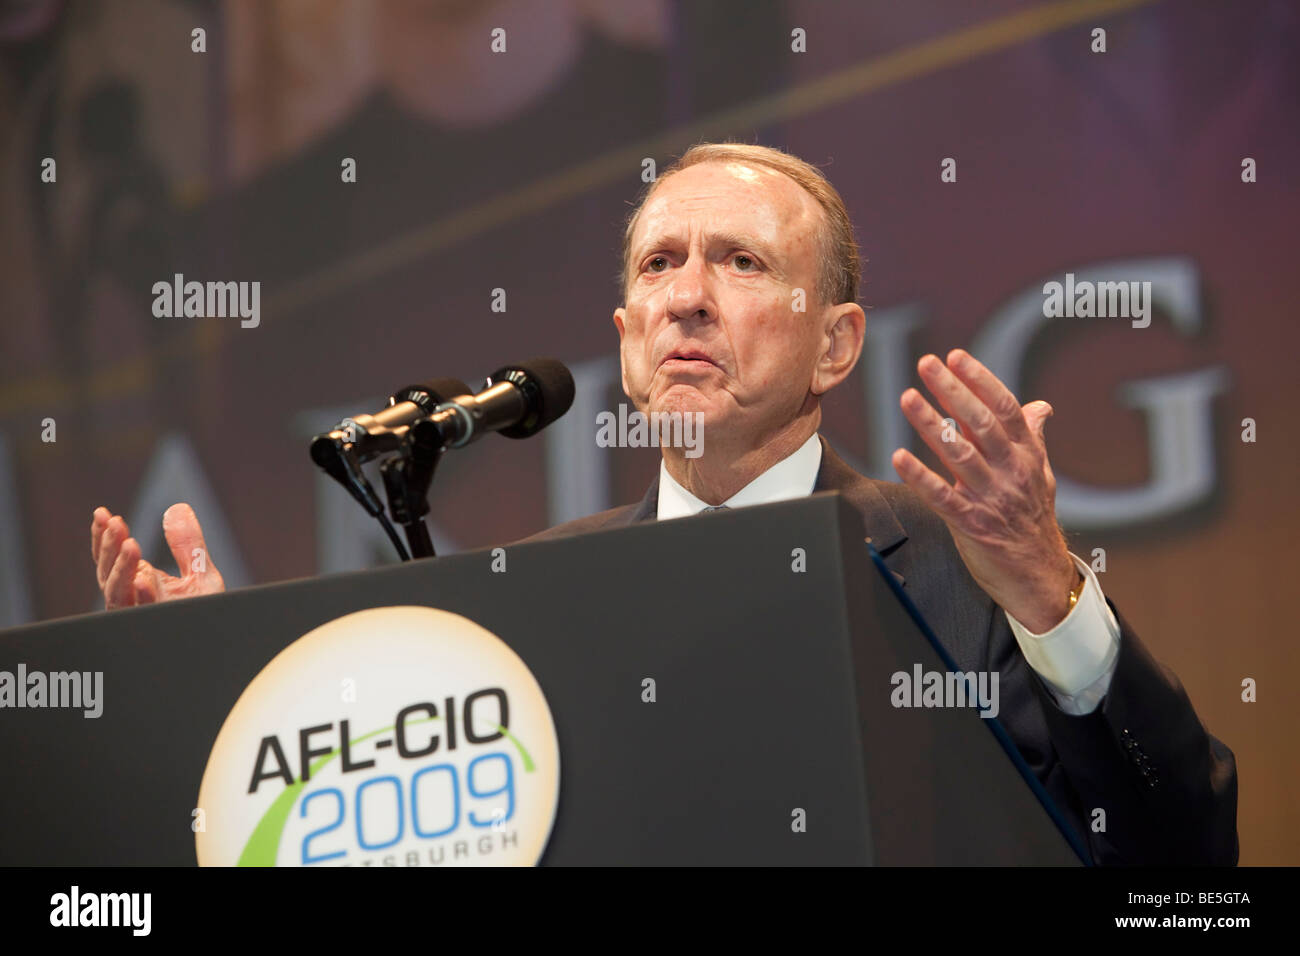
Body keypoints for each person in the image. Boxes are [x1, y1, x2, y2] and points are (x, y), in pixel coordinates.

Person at [90, 142, 1237, 865]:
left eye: (738, 262)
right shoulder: (542, 592)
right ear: (626, 342)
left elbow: (1182, 858)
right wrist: (215, 681)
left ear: (837, 343)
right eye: (657, 267)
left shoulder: (955, 557)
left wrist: (1049, 593)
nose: (687, 296)